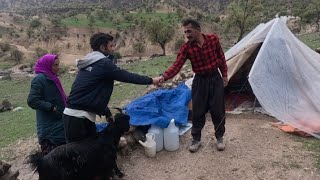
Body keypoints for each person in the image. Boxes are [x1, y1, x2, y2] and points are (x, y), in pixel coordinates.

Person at [63, 33, 161, 143]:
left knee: (87, 154)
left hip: (73, 116)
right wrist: (151, 80)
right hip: (79, 119)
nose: (113, 49)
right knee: (81, 156)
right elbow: (126, 76)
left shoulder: (89, 62)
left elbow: (91, 93)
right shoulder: (103, 63)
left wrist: (107, 112)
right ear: (102, 47)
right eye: (111, 46)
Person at [158, 19, 228, 152]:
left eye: (189, 31)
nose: (187, 35)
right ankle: (196, 139)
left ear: (198, 29)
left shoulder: (213, 40)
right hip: (200, 81)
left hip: (215, 78)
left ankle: (220, 137)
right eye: (185, 32)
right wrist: (164, 77)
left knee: (218, 110)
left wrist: (225, 75)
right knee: (198, 111)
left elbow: (221, 58)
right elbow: (177, 65)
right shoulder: (186, 48)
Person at [27, 54, 67, 155]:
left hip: (60, 126)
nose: (58, 68)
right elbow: (32, 100)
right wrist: (50, 107)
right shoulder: (39, 79)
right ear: (47, 65)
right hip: (49, 131)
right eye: (55, 65)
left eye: (58, 65)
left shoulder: (52, 78)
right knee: (53, 163)